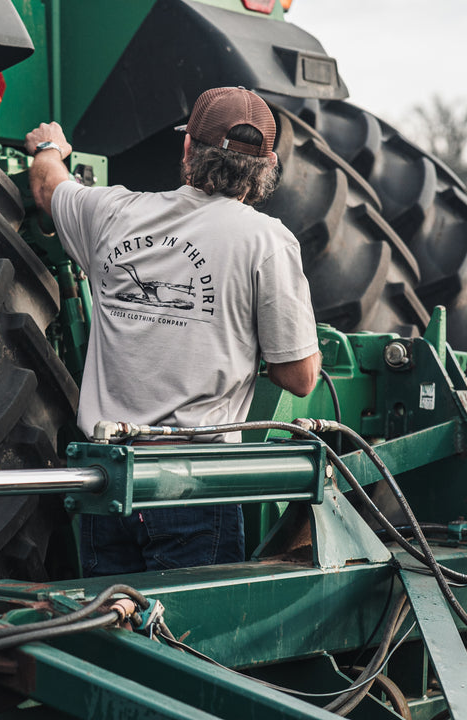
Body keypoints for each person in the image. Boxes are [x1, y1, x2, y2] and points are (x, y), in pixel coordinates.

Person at [24, 87, 321, 576]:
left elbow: (48, 188)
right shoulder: (267, 242)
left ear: (187, 149)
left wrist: (49, 146)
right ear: (267, 166)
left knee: (111, 633)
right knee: (183, 642)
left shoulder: (111, 213)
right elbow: (300, 377)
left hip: (106, 479)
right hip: (195, 486)